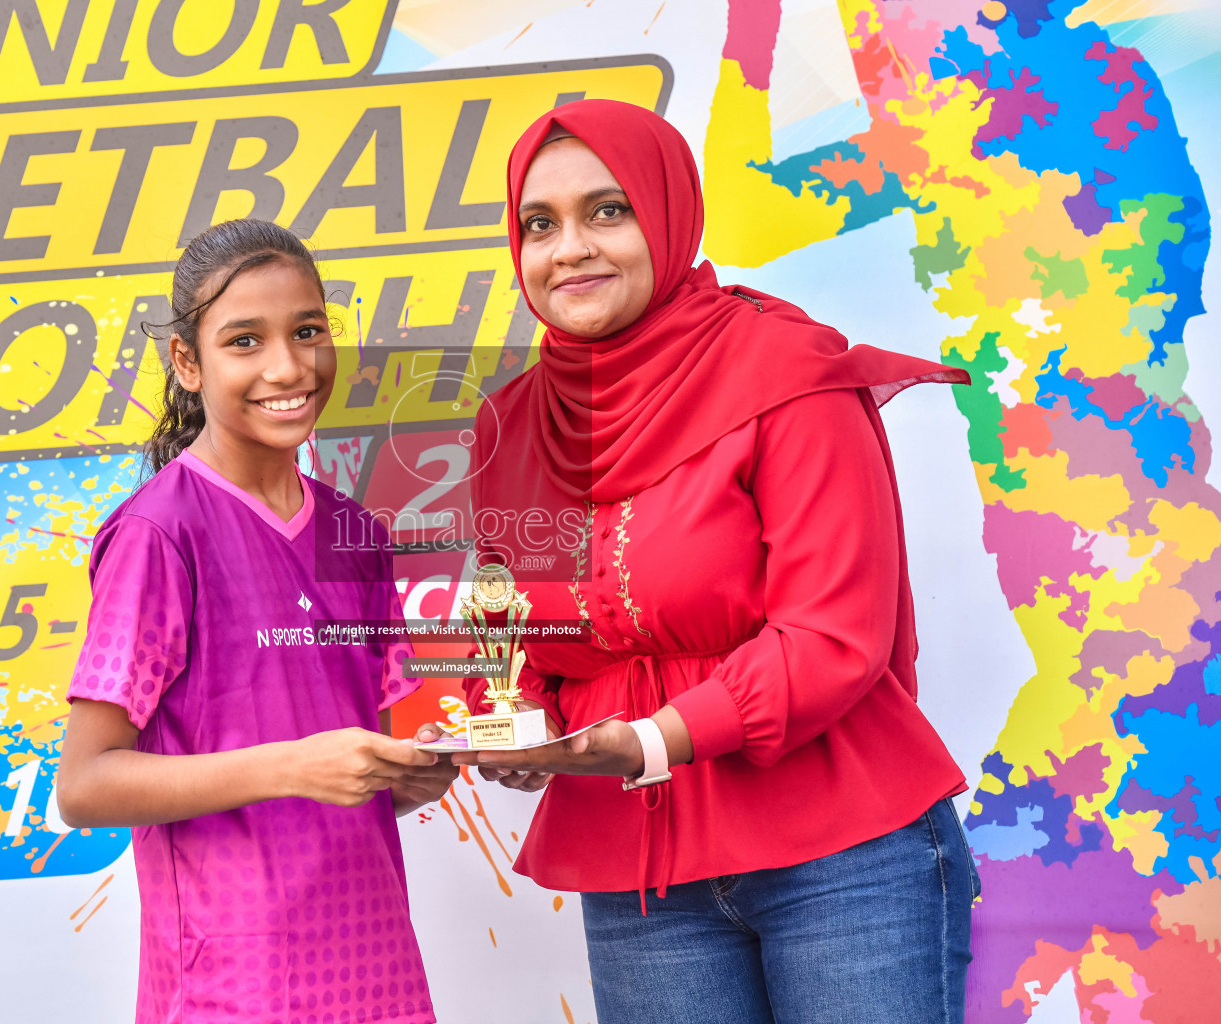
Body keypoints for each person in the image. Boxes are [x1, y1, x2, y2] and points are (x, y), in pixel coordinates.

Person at [453, 100, 981, 1023]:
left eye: (606, 211)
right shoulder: (510, 429)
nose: (569, 247)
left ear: (667, 212)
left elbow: (831, 635)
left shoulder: (786, 376)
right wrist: (520, 729)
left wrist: (650, 738)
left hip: (841, 860)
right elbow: (516, 641)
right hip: (641, 881)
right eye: (540, 224)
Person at [55, 218, 456, 1024]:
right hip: (234, 986)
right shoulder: (158, 535)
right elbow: (85, 786)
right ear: (186, 363)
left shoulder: (357, 535)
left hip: (377, 971)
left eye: (308, 331)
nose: (289, 366)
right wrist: (295, 767)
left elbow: (336, 769)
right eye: (246, 340)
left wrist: (400, 778)